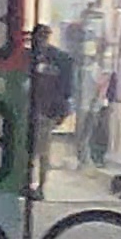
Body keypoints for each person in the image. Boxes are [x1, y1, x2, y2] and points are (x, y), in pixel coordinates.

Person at [33, 24, 77, 178]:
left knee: (42, 150)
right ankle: (35, 182)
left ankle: (40, 182)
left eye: (44, 35)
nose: (41, 39)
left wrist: (62, 109)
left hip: (46, 110)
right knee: (35, 150)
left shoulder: (60, 59)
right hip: (33, 110)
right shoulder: (29, 57)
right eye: (39, 36)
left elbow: (66, 88)